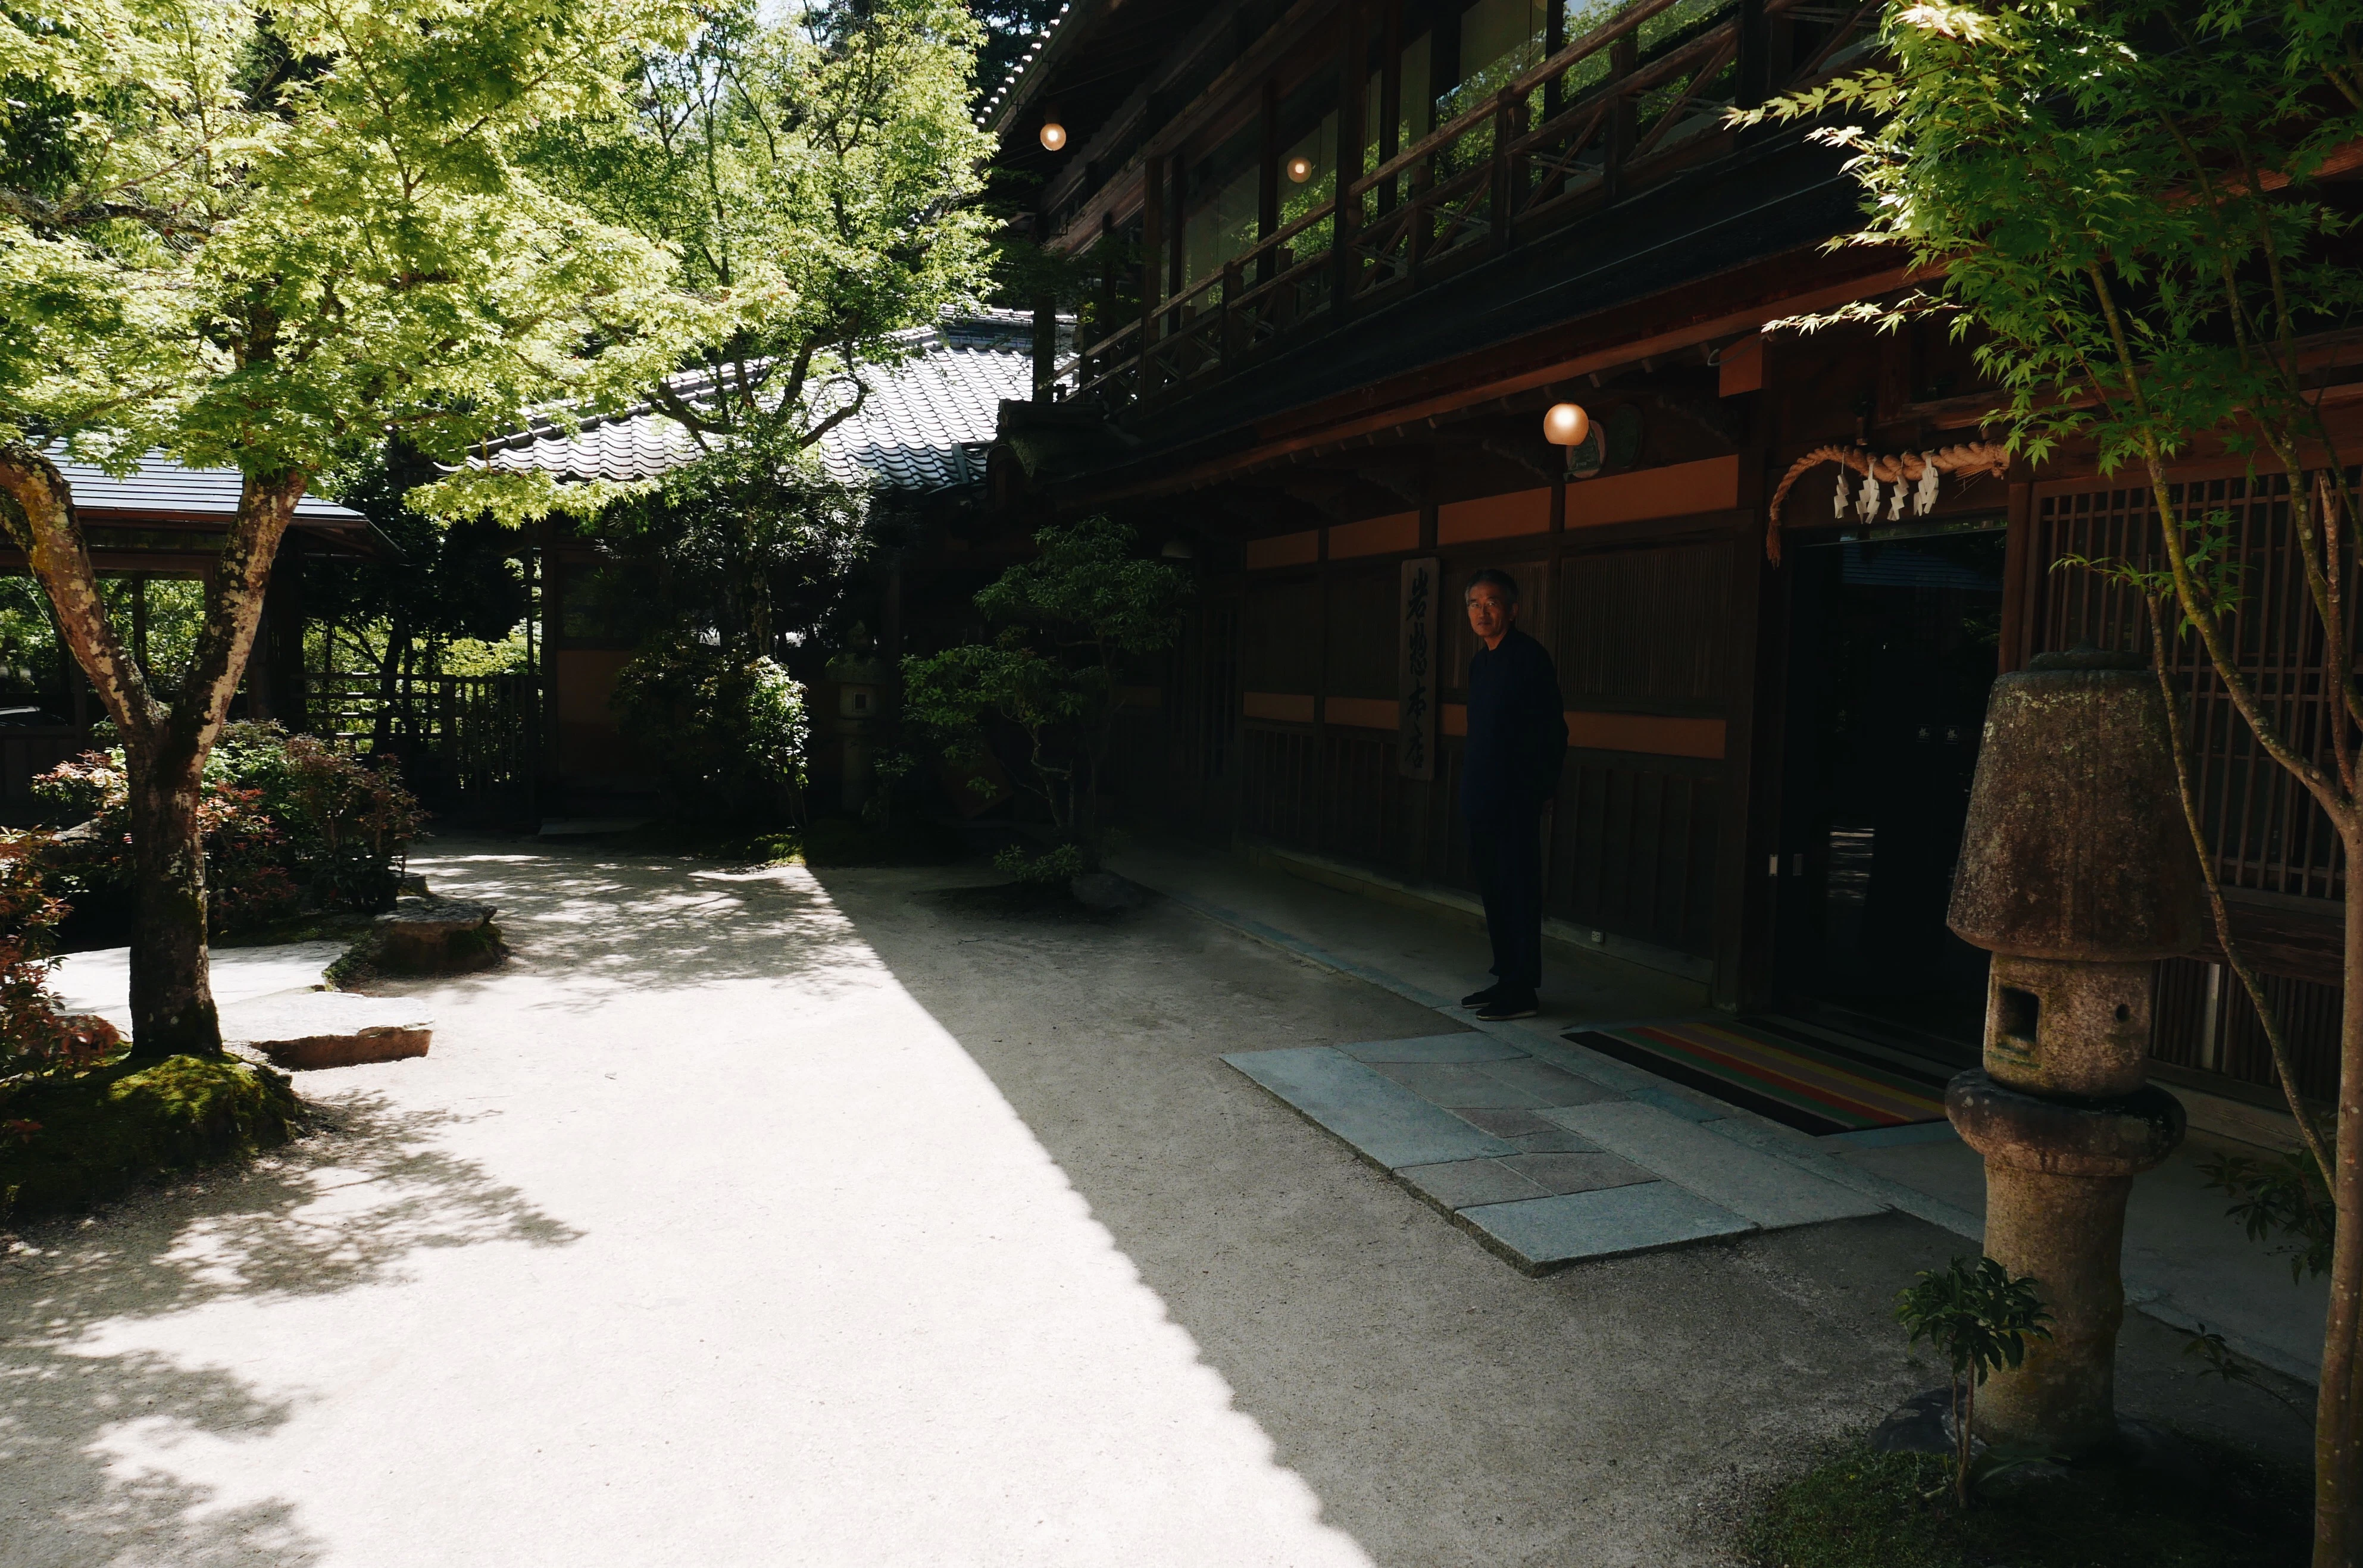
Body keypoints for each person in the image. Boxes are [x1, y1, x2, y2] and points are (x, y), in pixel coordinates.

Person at [1458, 569, 1567, 1022]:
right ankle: (1506, 976)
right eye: (1475, 604)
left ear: (1513, 609)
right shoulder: (1480, 662)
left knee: (1519, 887)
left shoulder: (1529, 657)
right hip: (1482, 792)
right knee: (1494, 887)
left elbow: (1552, 729)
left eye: (1493, 602)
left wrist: (1541, 788)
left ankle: (1524, 989)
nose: (1483, 612)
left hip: (1517, 794)